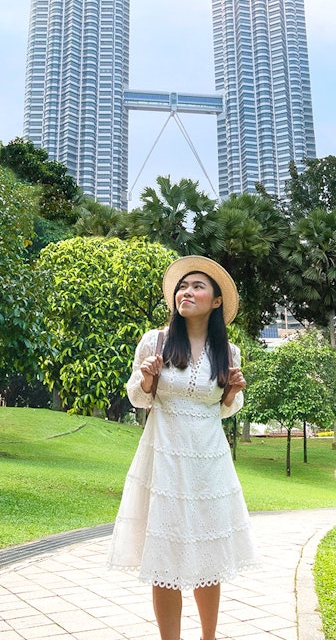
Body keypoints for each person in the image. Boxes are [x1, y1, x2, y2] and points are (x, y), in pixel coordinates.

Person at [107, 256, 259, 640]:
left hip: (209, 460)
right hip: (163, 457)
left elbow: (225, 410)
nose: (186, 293)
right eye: (181, 287)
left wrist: (234, 392)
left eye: (197, 287)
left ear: (216, 301)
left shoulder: (229, 352)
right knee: (166, 555)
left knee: (209, 553)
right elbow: (138, 400)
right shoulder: (154, 341)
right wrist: (145, 380)